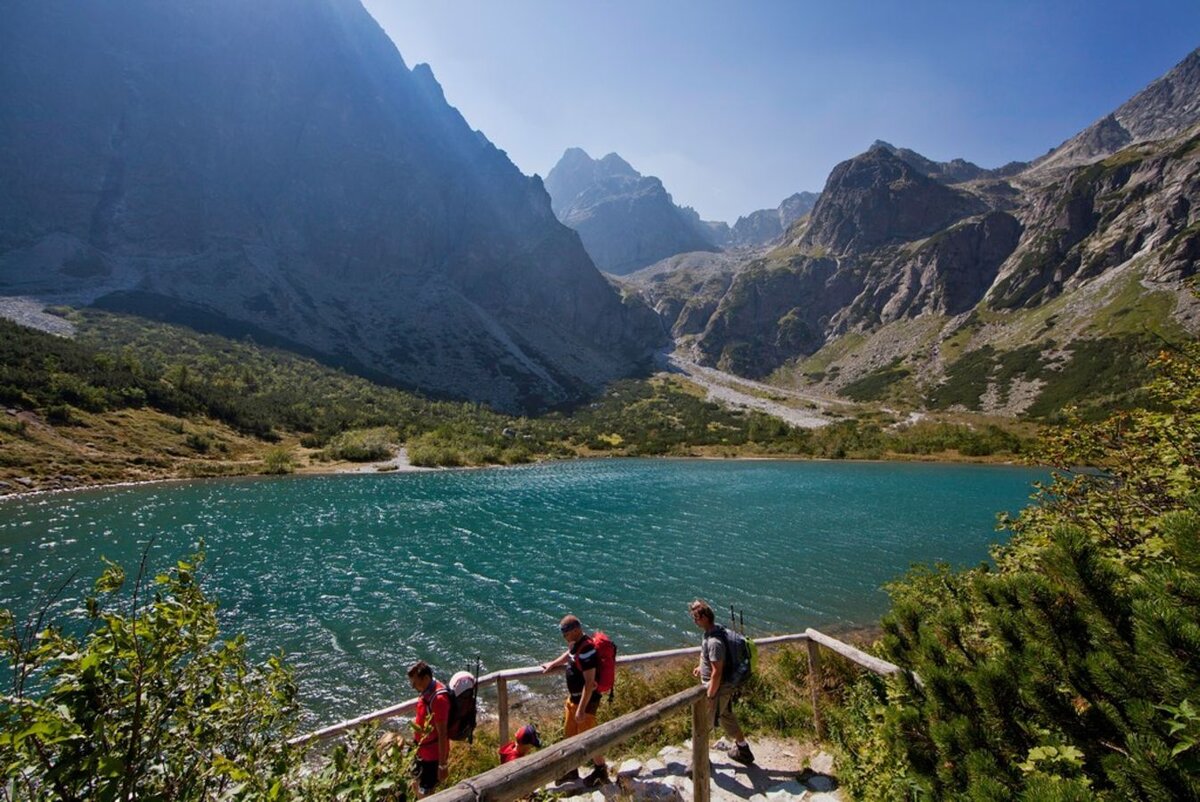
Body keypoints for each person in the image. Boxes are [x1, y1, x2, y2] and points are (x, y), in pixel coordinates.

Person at [541, 614, 610, 787]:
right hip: (574, 699)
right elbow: (570, 654)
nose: (564, 636)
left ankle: (601, 771)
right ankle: (571, 770)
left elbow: (589, 682)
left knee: (589, 738)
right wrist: (553, 663)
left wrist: (581, 709)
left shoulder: (587, 650)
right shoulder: (578, 644)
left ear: (576, 630)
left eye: (566, 633)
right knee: (569, 736)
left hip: (585, 703)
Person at [690, 599, 755, 764]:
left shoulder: (714, 642)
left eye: (696, 617)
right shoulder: (714, 630)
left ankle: (700, 763)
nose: (694, 621)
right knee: (726, 716)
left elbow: (717, 671)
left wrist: (710, 695)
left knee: (704, 724)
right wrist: (700, 666)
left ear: (704, 618)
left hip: (717, 688)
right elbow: (709, 659)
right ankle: (743, 749)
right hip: (723, 686)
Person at [408, 660, 451, 797]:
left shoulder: (438, 699)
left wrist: (442, 765)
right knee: (416, 785)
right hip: (421, 751)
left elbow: (443, 733)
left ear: (426, 678)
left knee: (426, 793)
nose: (413, 686)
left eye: (415, 682)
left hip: (431, 757)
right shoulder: (427, 692)